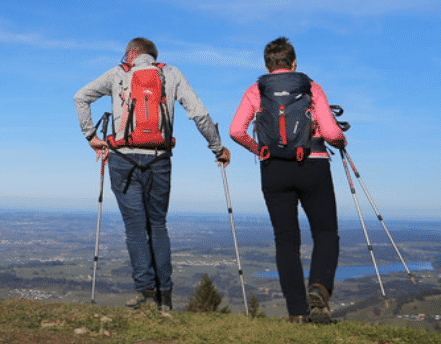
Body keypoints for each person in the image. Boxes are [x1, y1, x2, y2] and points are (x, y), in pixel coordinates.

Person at [74, 37, 231, 310]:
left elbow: (81, 97)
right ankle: (165, 297)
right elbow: (200, 114)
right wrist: (218, 148)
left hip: (122, 159)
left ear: (131, 54)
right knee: (157, 226)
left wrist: (91, 136)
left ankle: (146, 295)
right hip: (159, 159)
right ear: (153, 56)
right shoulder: (170, 74)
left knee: (135, 228)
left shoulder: (117, 74)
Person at [229, 37, 347, 324]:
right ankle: (319, 287)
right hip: (313, 165)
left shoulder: (256, 90)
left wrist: (260, 150)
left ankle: (296, 312)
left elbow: (236, 130)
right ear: (294, 63)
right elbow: (331, 133)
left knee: (286, 240)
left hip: (274, 170)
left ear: (267, 65)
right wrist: (342, 140)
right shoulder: (310, 87)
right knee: (325, 232)